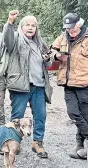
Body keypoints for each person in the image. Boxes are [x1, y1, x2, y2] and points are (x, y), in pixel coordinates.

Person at [51, 13, 88, 159]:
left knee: (84, 116)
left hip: (86, 85)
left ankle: (80, 146)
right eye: (67, 28)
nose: (70, 31)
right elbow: (50, 51)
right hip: (68, 84)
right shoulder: (63, 37)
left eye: (72, 28)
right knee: (73, 113)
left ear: (79, 24)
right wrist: (56, 56)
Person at [3, 12, 53, 158]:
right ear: (21, 26)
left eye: (33, 25)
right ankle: (11, 144)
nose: (30, 28)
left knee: (40, 116)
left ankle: (37, 143)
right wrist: (10, 22)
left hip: (39, 86)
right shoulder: (16, 39)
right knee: (17, 117)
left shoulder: (40, 43)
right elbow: (7, 40)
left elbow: (48, 64)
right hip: (20, 85)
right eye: (27, 25)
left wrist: (47, 59)